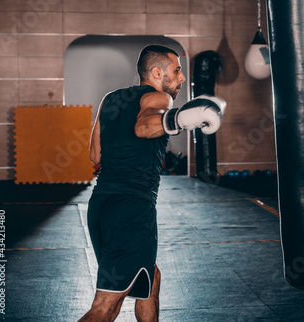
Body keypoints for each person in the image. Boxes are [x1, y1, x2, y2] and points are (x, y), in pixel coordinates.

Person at [79, 45, 225, 321]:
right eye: (177, 70)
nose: (182, 78)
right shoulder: (159, 98)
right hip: (131, 211)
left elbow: (94, 154)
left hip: (101, 207)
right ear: (158, 73)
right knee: (105, 308)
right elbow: (144, 127)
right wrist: (181, 118)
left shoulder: (110, 99)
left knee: (150, 280)